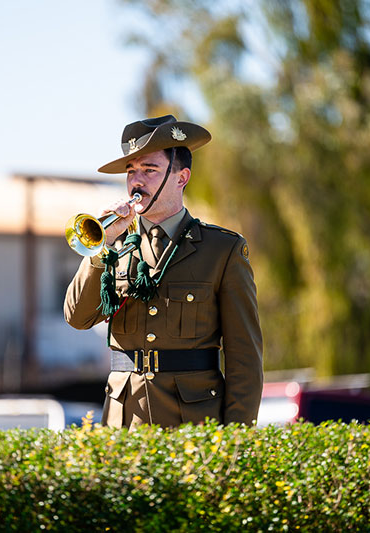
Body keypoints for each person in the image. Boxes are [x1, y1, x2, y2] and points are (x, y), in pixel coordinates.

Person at [64, 115, 263, 428]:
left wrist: (237, 438)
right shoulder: (114, 247)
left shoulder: (222, 249)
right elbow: (77, 317)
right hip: (124, 422)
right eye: (131, 171)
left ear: (181, 178)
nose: (136, 181)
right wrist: (103, 249)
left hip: (194, 423)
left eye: (149, 169)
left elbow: (245, 358)